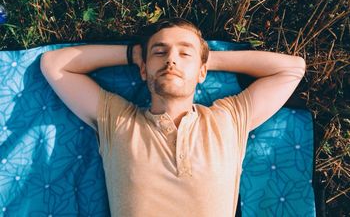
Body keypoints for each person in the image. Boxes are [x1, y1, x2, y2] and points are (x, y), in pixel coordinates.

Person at [40, 18, 306, 217]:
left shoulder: (228, 119)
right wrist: (135, 54)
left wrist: (205, 61)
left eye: (184, 53)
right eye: (159, 51)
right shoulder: (119, 120)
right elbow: (54, 64)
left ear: (203, 72)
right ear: (143, 69)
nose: (171, 60)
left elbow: (292, 69)